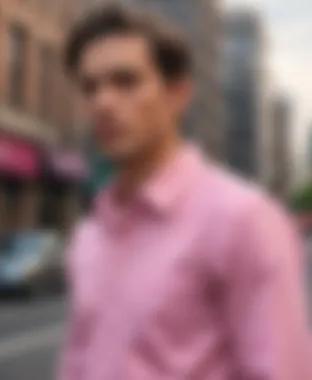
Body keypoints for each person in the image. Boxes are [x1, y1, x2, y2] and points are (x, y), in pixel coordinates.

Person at [58, 4, 311, 379]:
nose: (103, 102)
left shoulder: (245, 221)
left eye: (125, 82)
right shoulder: (91, 234)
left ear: (178, 94)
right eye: (90, 87)